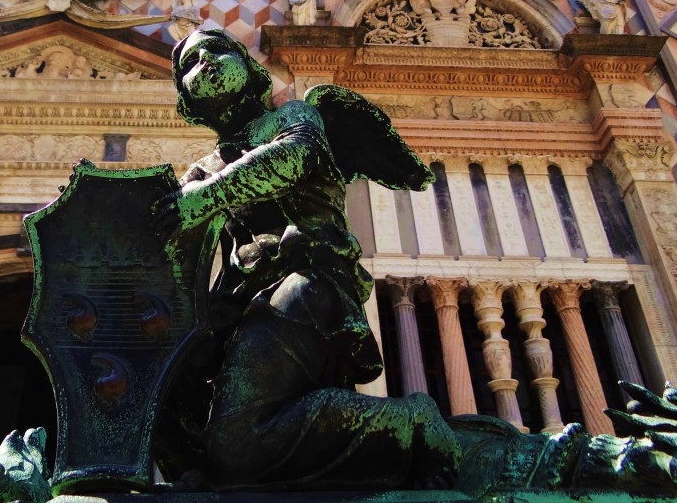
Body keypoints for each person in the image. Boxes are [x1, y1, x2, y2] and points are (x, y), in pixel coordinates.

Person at [151, 29, 457, 490]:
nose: (206, 61)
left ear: (249, 68)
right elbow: (175, 243)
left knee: (240, 443)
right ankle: (201, 467)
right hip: (239, 304)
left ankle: (410, 422)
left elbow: (295, 156)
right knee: (162, 380)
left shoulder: (293, 117)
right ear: (187, 97)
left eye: (218, 49)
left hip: (305, 285)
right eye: (190, 62)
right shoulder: (203, 170)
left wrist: (205, 197)